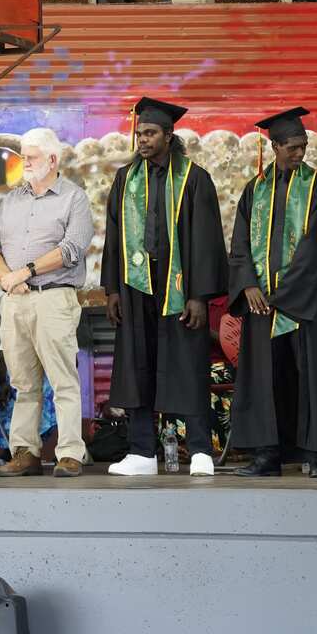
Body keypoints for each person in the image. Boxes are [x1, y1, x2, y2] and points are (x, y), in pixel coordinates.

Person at [101, 98, 227, 476]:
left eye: (150, 133)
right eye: (139, 133)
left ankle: (201, 450)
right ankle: (142, 452)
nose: (142, 140)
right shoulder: (126, 179)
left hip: (180, 287)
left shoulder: (193, 178)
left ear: (169, 136)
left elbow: (206, 241)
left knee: (187, 366)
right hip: (137, 287)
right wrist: (111, 289)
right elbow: (113, 235)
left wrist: (199, 295)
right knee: (138, 367)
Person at [228, 108, 317, 477]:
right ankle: (267, 456)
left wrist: (283, 296)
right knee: (264, 379)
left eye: (303, 146)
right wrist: (248, 285)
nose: (299, 153)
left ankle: (316, 455)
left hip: (299, 304)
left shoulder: (315, 187)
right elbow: (240, 243)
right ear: (273, 146)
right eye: (291, 147)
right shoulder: (254, 189)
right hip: (260, 306)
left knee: (308, 378)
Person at [0, 127, 94, 478]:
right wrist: (5, 277)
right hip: (15, 301)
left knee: (63, 379)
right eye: (22, 156)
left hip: (54, 298)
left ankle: (71, 453)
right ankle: (25, 452)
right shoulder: (12, 199)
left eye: (30, 157)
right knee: (23, 383)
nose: (23, 162)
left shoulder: (74, 198)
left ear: (52, 160)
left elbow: (73, 248)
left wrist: (24, 272)